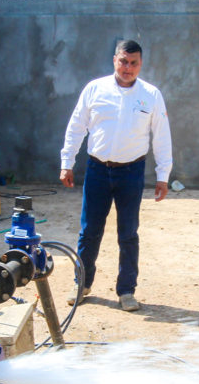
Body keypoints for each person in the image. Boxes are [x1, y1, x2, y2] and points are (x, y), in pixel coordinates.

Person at [59, 39, 173, 312]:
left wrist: (163, 175)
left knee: (128, 233)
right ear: (114, 60)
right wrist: (67, 162)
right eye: (123, 61)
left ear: (140, 64)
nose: (128, 68)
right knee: (89, 232)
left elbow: (162, 135)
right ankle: (82, 285)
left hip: (132, 173)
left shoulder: (151, 95)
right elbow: (76, 127)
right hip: (98, 170)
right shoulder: (95, 90)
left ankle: (126, 291)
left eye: (134, 63)